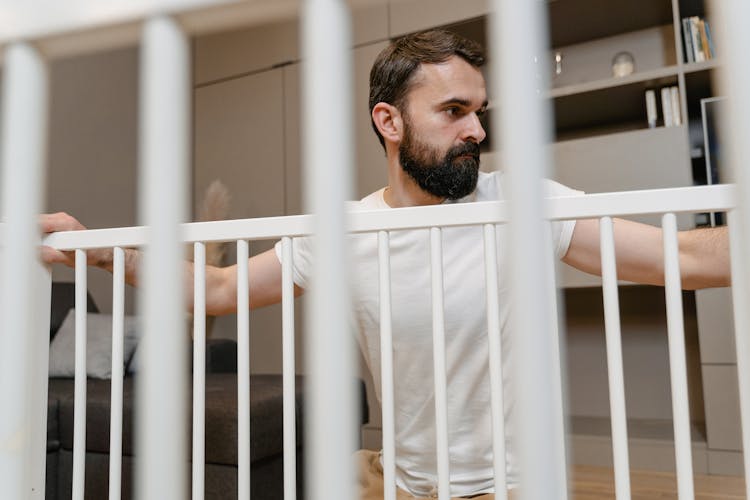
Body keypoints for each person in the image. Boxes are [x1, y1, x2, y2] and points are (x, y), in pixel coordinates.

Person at [41, 29, 730, 500]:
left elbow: (686, 255)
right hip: (397, 481)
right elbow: (218, 287)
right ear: (389, 122)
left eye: (480, 112)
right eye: (454, 111)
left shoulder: (524, 206)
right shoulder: (344, 229)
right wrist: (102, 251)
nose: (478, 132)